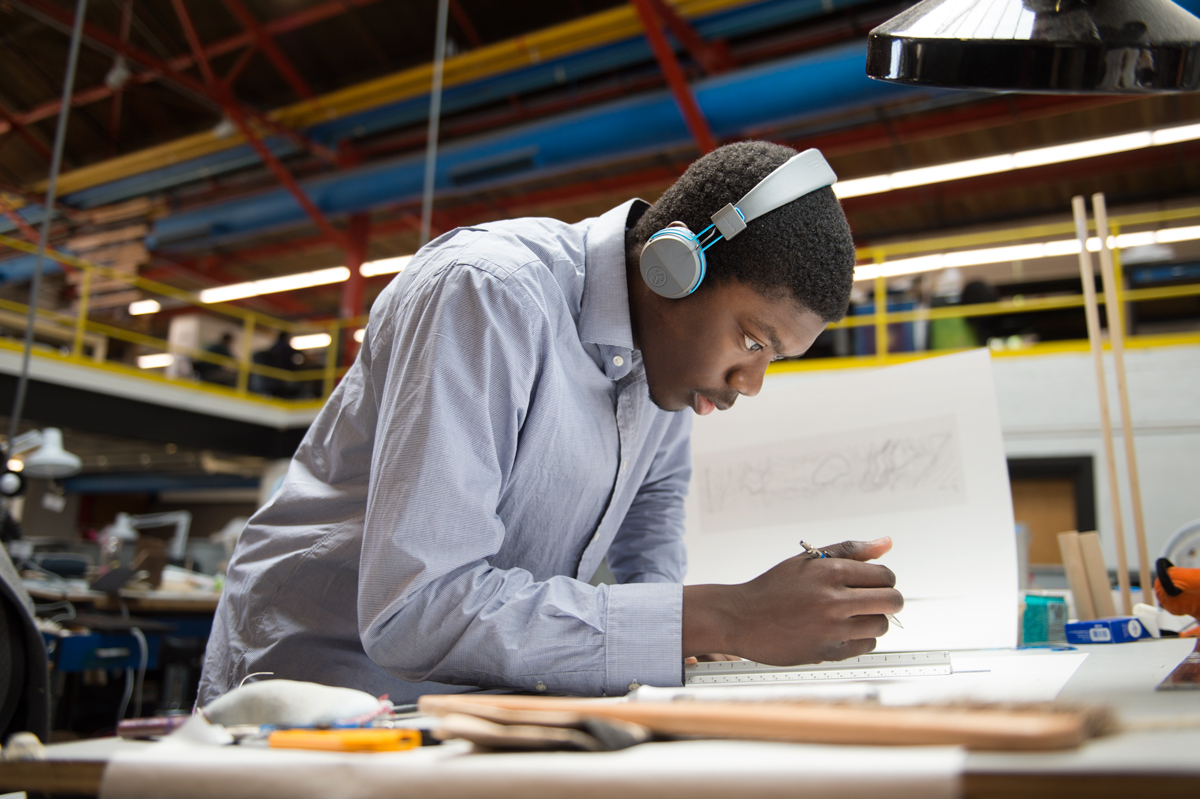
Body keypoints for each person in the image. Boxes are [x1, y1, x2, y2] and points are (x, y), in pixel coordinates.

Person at [198, 141, 904, 706]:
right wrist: (725, 615)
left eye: (774, 359)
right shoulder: (487, 295)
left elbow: (651, 520)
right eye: (753, 341)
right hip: (312, 695)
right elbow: (415, 609)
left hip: (460, 704)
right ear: (675, 266)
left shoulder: (665, 371)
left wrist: (692, 635)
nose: (751, 383)